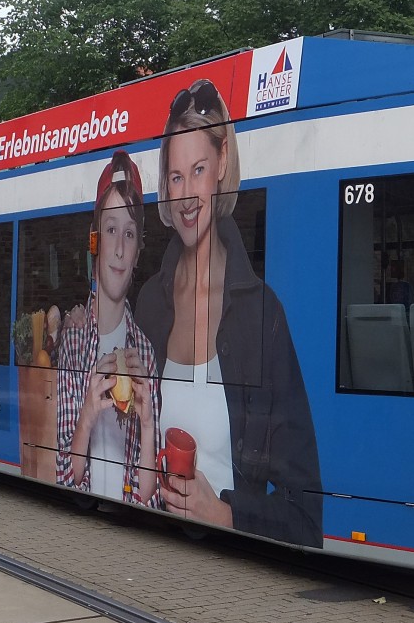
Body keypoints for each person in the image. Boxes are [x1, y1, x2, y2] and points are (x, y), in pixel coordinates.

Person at [134, 78, 323, 547]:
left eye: (198, 170)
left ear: (222, 164)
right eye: (175, 177)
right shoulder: (149, 304)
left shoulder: (261, 314)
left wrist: (222, 514)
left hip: (228, 575)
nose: (186, 195)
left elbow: (306, 511)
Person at [54, 150, 160, 505]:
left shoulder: (144, 353)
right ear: (94, 241)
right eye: (111, 229)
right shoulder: (72, 340)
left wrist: (147, 422)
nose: (118, 249)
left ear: (138, 253)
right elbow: (66, 477)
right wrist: (88, 412)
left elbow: (149, 496)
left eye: (129, 234)